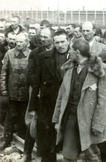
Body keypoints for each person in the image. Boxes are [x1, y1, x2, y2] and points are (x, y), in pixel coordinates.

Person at [52, 39, 106, 162]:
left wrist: (98, 124)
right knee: (68, 155)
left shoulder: (101, 69)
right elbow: (61, 96)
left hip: (89, 118)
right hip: (71, 117)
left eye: (71, 50)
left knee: (91, 155)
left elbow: (105, 99)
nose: (69, 52)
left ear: (77, 52)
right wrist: (57, 119)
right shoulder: (69, 68)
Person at [28, 30, 69, 162]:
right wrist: (33, 106)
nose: (60, 45)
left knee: (68, 138)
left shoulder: (76, 57)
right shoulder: (44, 57)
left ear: (68, 41)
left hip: (69, 103)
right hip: (48, 104)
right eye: (57, 42)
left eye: (63, 41)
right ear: (53, 42)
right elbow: (37, 83)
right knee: (47, 138)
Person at [19, 28, 55, 162]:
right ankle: (27, 153)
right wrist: (39, 87)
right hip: (38, 92)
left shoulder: (58, 51)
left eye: (46, 37)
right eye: (41, 37)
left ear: (52, 38)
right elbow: (30, 74)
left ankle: (48, 153)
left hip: (54, 94)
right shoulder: (35, 53)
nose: (42, 39)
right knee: (33, 122)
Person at [0, 33, 31, 150]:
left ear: (27, 43)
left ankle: (22, 141)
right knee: (10, 116)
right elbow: (3, 73)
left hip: (25, 93)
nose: (18, 44)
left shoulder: (31, 54)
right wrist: (3, 90)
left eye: (21, 42)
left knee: (23, 117)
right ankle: (7, 140)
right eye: (17, 41)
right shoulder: (9, 53)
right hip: (12, 92)